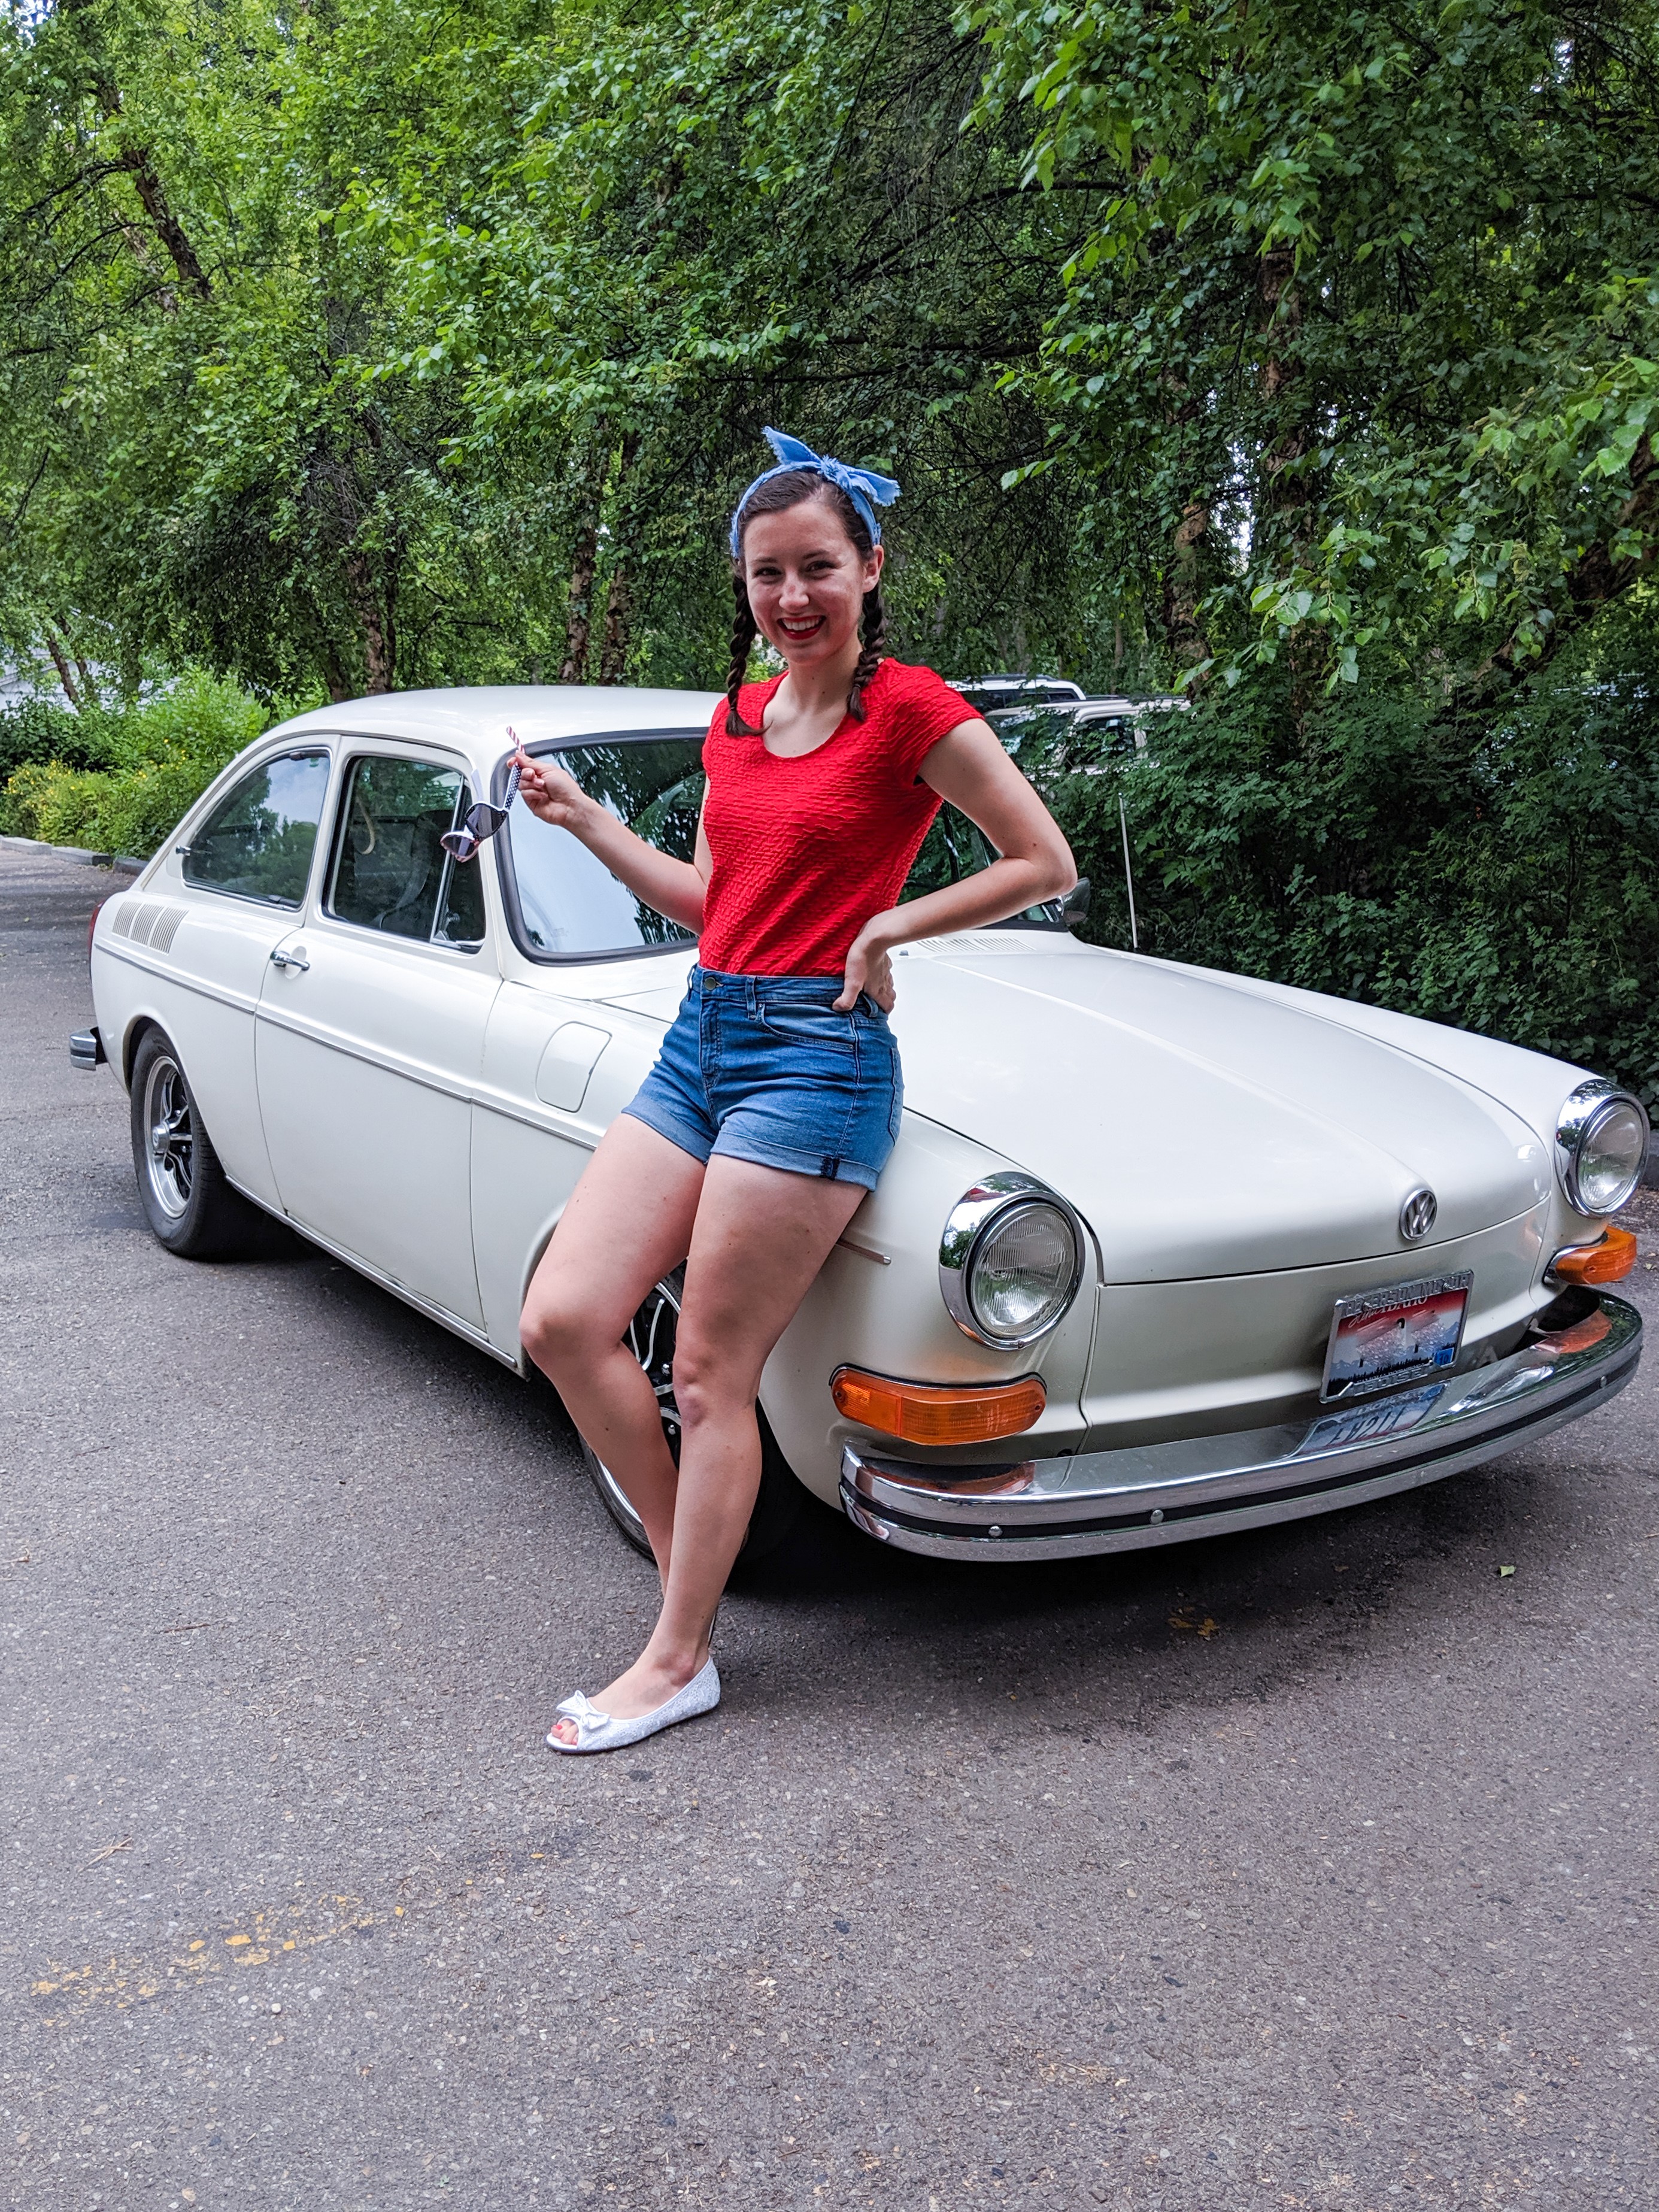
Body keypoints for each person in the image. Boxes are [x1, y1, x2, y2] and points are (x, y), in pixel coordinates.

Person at [516, 428, 1076, 1753]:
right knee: (563, 1318)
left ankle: (676, 1654)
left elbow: (1039, 857)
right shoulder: (733, 721)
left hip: (816, 1057)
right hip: (702, 1034)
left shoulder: (915, 712)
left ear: (869, 567)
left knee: (711, 1373)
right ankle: (685, 1586)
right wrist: (594, 824)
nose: (792, 597)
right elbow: (715, 904)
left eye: (818, 566)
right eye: (767, 574)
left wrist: (890, 930)